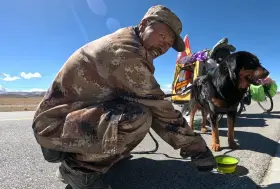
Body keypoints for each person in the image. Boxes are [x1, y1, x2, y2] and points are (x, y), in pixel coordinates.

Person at [32, 5, 217, 189]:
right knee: (138, 117)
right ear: (144, 24)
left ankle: (98, 154)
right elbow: (159, 108)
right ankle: (78, 170)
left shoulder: (131, 42)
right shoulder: (126, 54)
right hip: (54, 126)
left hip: (66, 119)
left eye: (169, 44)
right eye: (162, 36)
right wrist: (196, 147)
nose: (164, 45)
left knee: (134, 107)